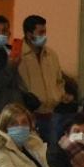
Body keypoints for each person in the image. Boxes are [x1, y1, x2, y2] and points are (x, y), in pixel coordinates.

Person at [17, 14, 72, 143]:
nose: (44, 36)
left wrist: (60, 95)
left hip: (50, 114)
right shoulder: (18, 55)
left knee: (50, 149)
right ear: (29, 35)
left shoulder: (51, 55)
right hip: (28, 115)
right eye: (41, 32)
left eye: (45, 32)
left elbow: (59, 80)